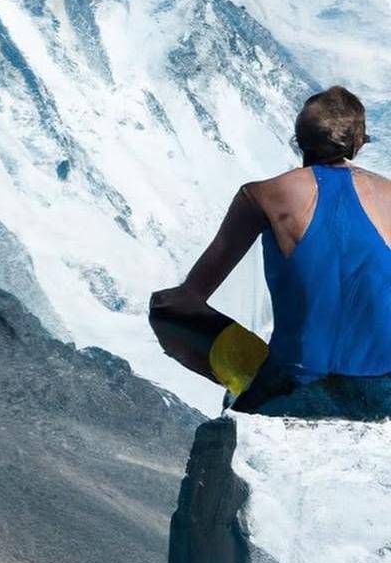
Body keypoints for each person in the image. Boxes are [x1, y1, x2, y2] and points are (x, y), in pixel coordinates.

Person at [149, 86, 391, 413]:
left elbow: (191, 297)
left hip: (293, 384)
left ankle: (249, 380)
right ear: (358, 143)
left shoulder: (261, 195)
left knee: (166, 306)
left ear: (298, 138)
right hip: (382, 391)